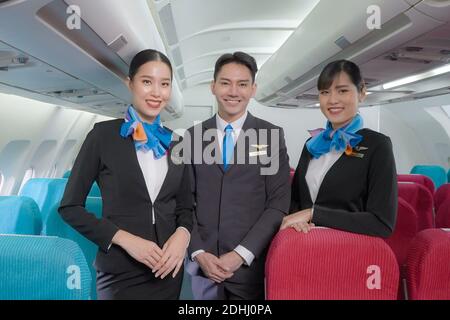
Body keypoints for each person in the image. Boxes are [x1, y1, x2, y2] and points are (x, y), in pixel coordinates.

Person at [58, 49, 193, 300]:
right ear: (129, 83)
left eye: (164, 84)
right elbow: (70, 207)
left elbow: (186, 206)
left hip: (167, 268)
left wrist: (182, 236)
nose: (156, 92)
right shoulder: (102, 136)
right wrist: (124, 239)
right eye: (146, 82)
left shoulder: (178, 143)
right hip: (120, 271)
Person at [185, 52, 291, 300]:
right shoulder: (191, 137)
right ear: (213, 86)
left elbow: (277, 204)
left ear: (253, 89)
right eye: (225, 83)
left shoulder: (270, 136)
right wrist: (199, 252)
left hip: (249, 268)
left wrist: (241, 254)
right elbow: (184, 203)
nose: (233, 91)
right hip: (204, 269)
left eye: (242, 84)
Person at [282, 59, 397, 237]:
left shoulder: (377, 145)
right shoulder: (312, 144)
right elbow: (295, 200)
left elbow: (381, 223)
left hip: (347, 250)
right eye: (325, 92)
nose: (332, 100)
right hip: (304, 247)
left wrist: (314, 214)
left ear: (362, 92)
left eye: (342, 91)